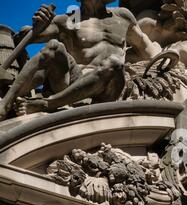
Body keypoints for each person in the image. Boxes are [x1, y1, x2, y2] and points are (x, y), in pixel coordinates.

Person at [0, 0, 162, 120]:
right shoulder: (71, 20)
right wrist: (39, 25)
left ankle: (46, 104)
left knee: (114, 63)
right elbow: (25, 37)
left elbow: (146, 47)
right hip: (72, 84)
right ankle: (4, 105)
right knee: (54, 46)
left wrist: (165, 62)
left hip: (107, 91)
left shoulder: (122, 16)